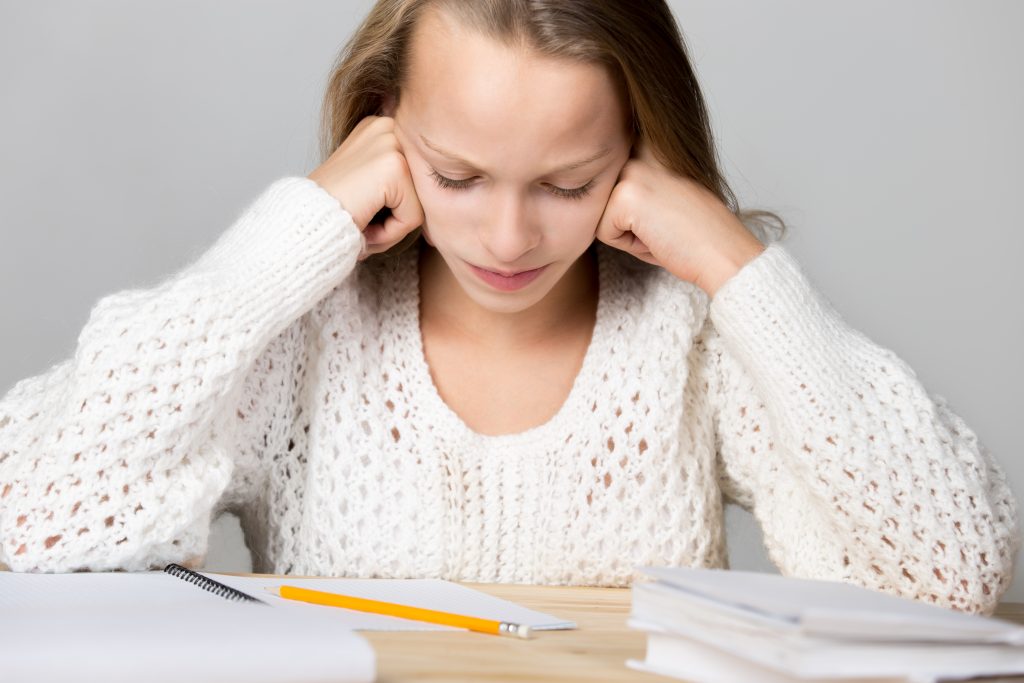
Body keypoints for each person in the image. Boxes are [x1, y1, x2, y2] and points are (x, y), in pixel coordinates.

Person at [0, 0, 1016, 616]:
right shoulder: (303, 330)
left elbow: (944, 571)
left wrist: (734, 265)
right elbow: (31, 517)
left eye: (567, 184)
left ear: (638, 154)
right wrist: (284, 241)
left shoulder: (689, 337)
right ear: (380, 131)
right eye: (458, 175)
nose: (507, 238)